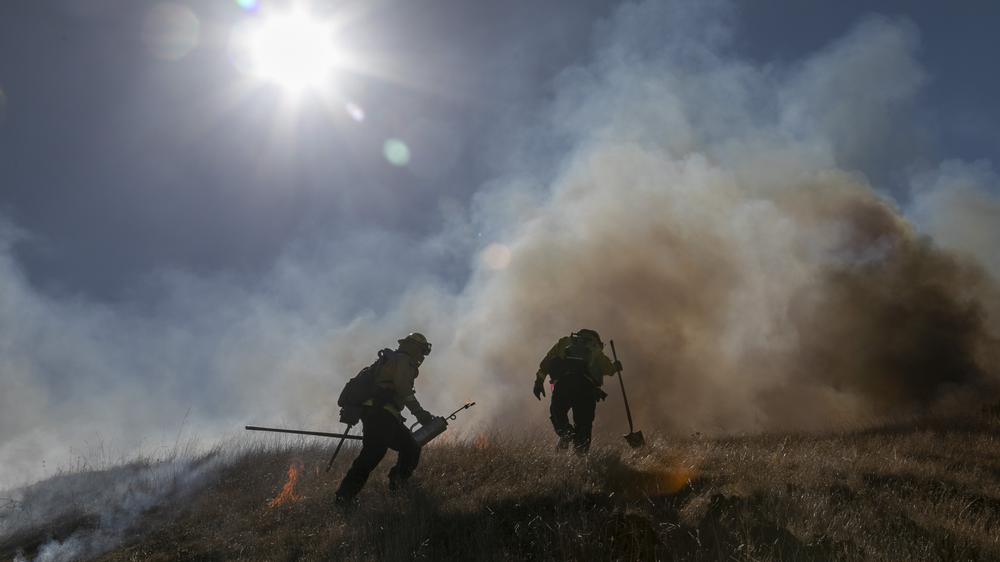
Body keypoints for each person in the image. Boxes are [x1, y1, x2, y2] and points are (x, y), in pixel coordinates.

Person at [336, 332, 442, 503]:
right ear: (415, 348)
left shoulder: (393, 359)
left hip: (384, 415)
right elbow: (404, 391)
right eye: (422, 351)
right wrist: (421, 414)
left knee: (410, 447)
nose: (422, 355)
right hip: (381, 415)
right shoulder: (403, 361)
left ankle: (398, 486)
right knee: (373, 453)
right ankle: (344, 497)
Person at [533, 329, 621, 453]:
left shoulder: (565, 342)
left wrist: (538, 382)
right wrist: (616, 366)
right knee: (583, 424)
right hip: (586, 390)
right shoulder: (595, 348)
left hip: (563, 385)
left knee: (558, 413)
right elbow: (608, 369)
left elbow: (546, 363)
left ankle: (566, 433)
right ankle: (581, 456)